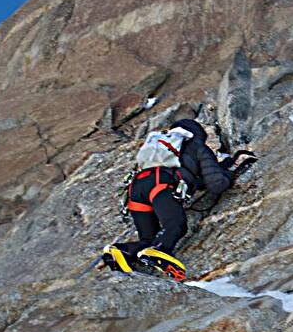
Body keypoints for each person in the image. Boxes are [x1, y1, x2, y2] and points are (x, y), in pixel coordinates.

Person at [102, 119, 255, 280]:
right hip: (159, 185)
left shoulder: (160, 147)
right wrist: (231, 174)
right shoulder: (197, 146)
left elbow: (196, 178)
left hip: (136, 188)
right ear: (198, 134)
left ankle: (121, 250)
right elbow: (217, 184)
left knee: (148, 238)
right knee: (176, 225)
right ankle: (159, 251)